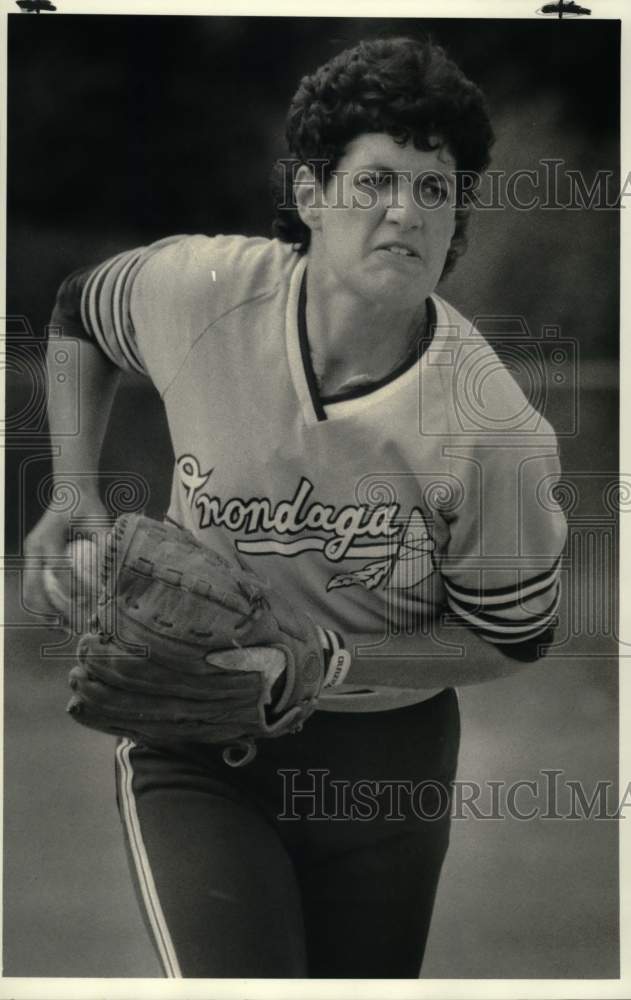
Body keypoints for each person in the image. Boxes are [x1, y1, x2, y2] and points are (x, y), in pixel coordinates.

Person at [23, 36, 567, 979]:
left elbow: (511, 637)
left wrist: (325, 661)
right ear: (311, 197)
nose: (406, 212)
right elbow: (78, 314)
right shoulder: (203, 293)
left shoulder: (494, 433)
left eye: (435, 189)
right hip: (194, 730)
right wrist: (72, 490)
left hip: (382, 764)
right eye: (376, 182)